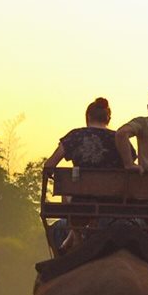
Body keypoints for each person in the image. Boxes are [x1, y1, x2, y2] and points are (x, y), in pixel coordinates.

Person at [40, 98, 125, 252]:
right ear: (108, 119)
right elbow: (130, 167)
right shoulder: (119, 138)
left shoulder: (75, 136)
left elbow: (49, 166)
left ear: (87, 117)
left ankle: (71, 246)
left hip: (81, 203)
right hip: (115, 204)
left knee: (58, 227)